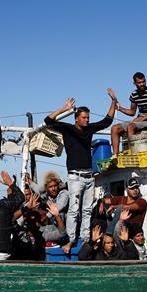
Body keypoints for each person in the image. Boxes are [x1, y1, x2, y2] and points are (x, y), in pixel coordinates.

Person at [44, 96, 116, 252]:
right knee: (74, 210)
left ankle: (84, 240)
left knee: (87, 211)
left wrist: (113, 102)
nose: (87, 120)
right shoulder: (68, 129)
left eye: (88, 118)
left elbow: (107, 121)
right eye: (84, 118)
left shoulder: (89, 129)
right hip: (75, 177)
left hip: (89, 176)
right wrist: (64, 109)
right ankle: (69, 240)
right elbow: (48, 121)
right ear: (76, 118)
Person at [108, 72, 147, 158]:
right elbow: (132, 112)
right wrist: (119, 108)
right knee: (114, 128)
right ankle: (115, 156)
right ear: (135, 83)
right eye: (139, 82)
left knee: (130, 126)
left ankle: (132, 155)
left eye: (143, 81)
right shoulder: (134, 95)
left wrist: (143, 118)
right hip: (138, 120)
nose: (142, 84)